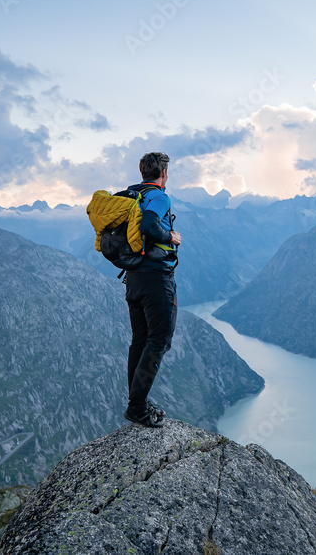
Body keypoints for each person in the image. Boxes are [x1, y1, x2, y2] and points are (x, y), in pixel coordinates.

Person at [123, 152, 181, 427]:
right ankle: (137, 406)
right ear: (164, 173)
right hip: (156, 279)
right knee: (158, 341)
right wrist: (171, 236)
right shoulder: (159, 196)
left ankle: (137, 402)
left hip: (133, 278)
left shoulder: (132, 194)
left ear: (141, 170)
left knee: (140, 340)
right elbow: (148, 224)